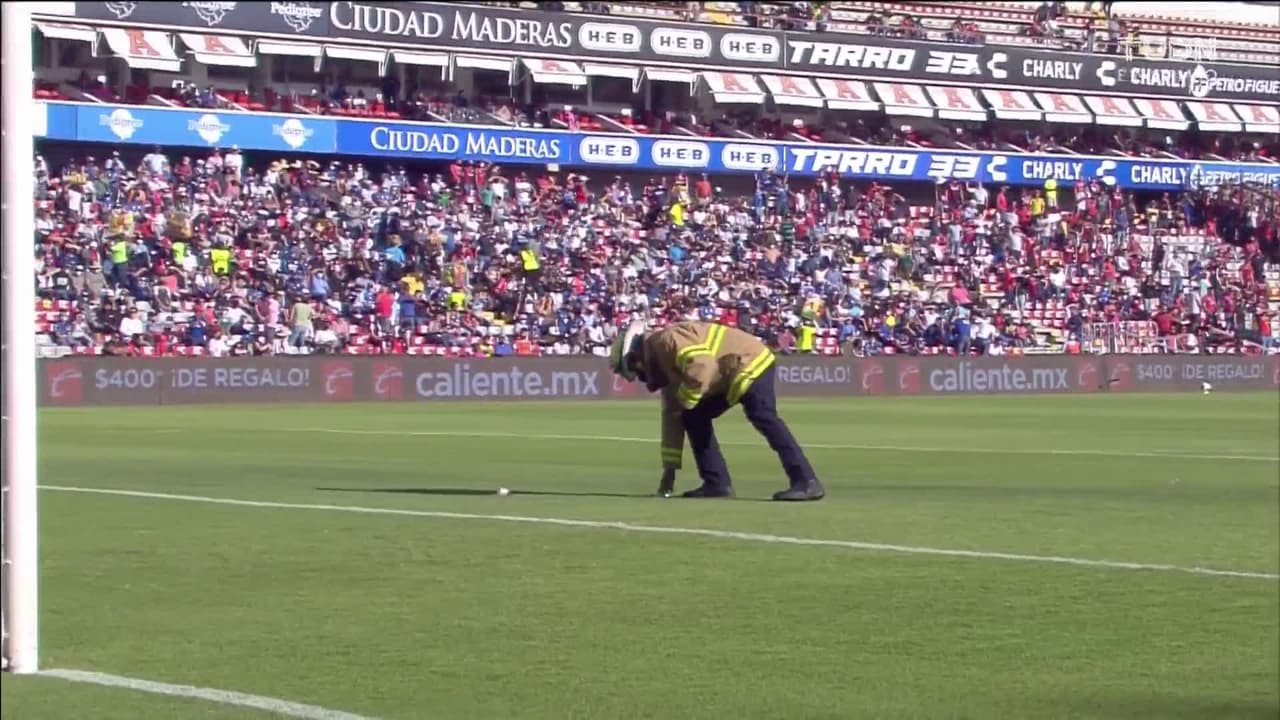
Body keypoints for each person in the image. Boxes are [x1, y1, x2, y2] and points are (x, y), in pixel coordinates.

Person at [608, 320, 825, 502]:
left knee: (762, 416)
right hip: (727, 373)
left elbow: (703, 366)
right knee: (693, 417)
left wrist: (688, 399)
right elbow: (672, 417)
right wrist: (670, 470)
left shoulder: (666, 340)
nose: (643, 379)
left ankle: (806, 481)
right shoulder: (665, 367)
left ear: (637, 359)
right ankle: (716, 483)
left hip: (748, 361)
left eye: (636, 373)